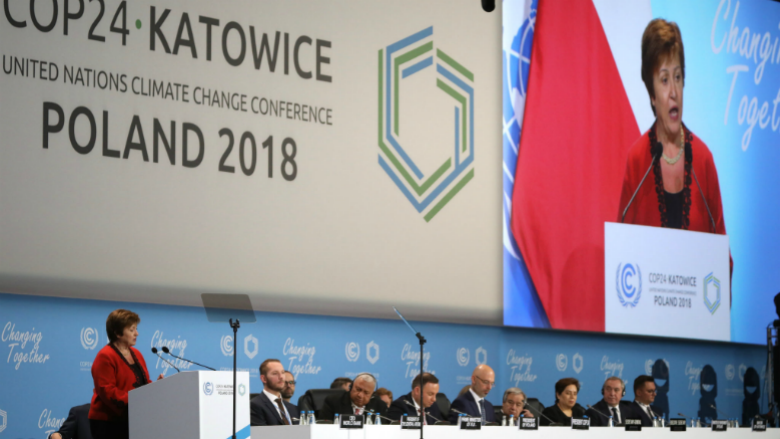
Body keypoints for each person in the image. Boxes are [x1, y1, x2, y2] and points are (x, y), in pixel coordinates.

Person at [618, 19, 730, 257]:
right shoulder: (638, 161)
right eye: (665, 79)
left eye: (678, 78)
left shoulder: (702, 159)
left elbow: (722, 256)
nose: (673, 92)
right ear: (652, 94)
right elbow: (623, 252)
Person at [88, 309, 163, 439]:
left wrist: (156, 387)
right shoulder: (105, 356)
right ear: (117, 332)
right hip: (108, 423)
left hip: (134, 418)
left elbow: (142, 382)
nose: (137, 333)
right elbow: (107, 391)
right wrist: (136, 401)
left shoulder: (137, 354)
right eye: (132, 329)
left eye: (136, 329)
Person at [250, 359, 300, 425]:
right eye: (275, 373)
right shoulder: (255, 405)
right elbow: (261, 434)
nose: (281, 377)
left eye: (282, 373)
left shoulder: (293, 408)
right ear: (264, 379)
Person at [320, 373, 387, 421]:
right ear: (351, 387)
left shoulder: (380, 406)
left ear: (372, 395)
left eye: (366, 393)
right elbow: (323, 428)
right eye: (358, 389)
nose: (360, 395)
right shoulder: (333, 402)